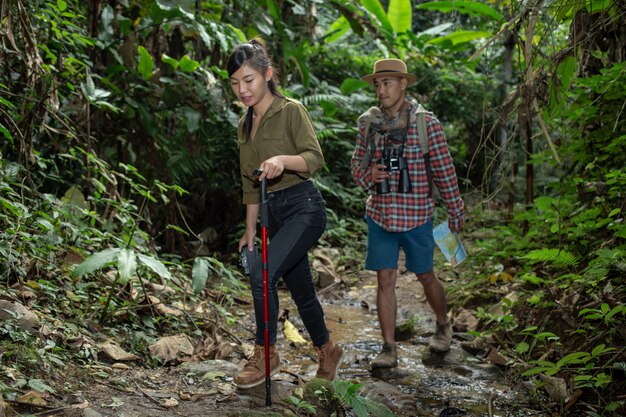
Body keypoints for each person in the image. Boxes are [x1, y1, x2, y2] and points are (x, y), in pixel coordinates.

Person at [226, 38, 343, 388]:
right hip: (271, 215)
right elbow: (249, 185)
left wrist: (281, 160)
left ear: (268, 74)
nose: (242, 89)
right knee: (301, 288)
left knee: (262, 275)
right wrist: (250, 229)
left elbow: (314, 157)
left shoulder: (291, 110)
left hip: (303, 207)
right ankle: (328, 349)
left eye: (249, 80)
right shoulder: (244, 126)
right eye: (235, 83)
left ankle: (266, 353)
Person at [350, 58, 464, 369]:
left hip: (417, 216)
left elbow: (444, 171)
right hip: (381, 214)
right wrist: (368, 176)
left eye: (388, 82)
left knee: (426, 275)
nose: (381, 89)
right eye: (377, 83)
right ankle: (389, 348)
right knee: (384, 279)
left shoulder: (426, 124)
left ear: (404, 84)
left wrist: (455, 212)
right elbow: (356, 168)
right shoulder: (368, 124)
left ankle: (442, 323)